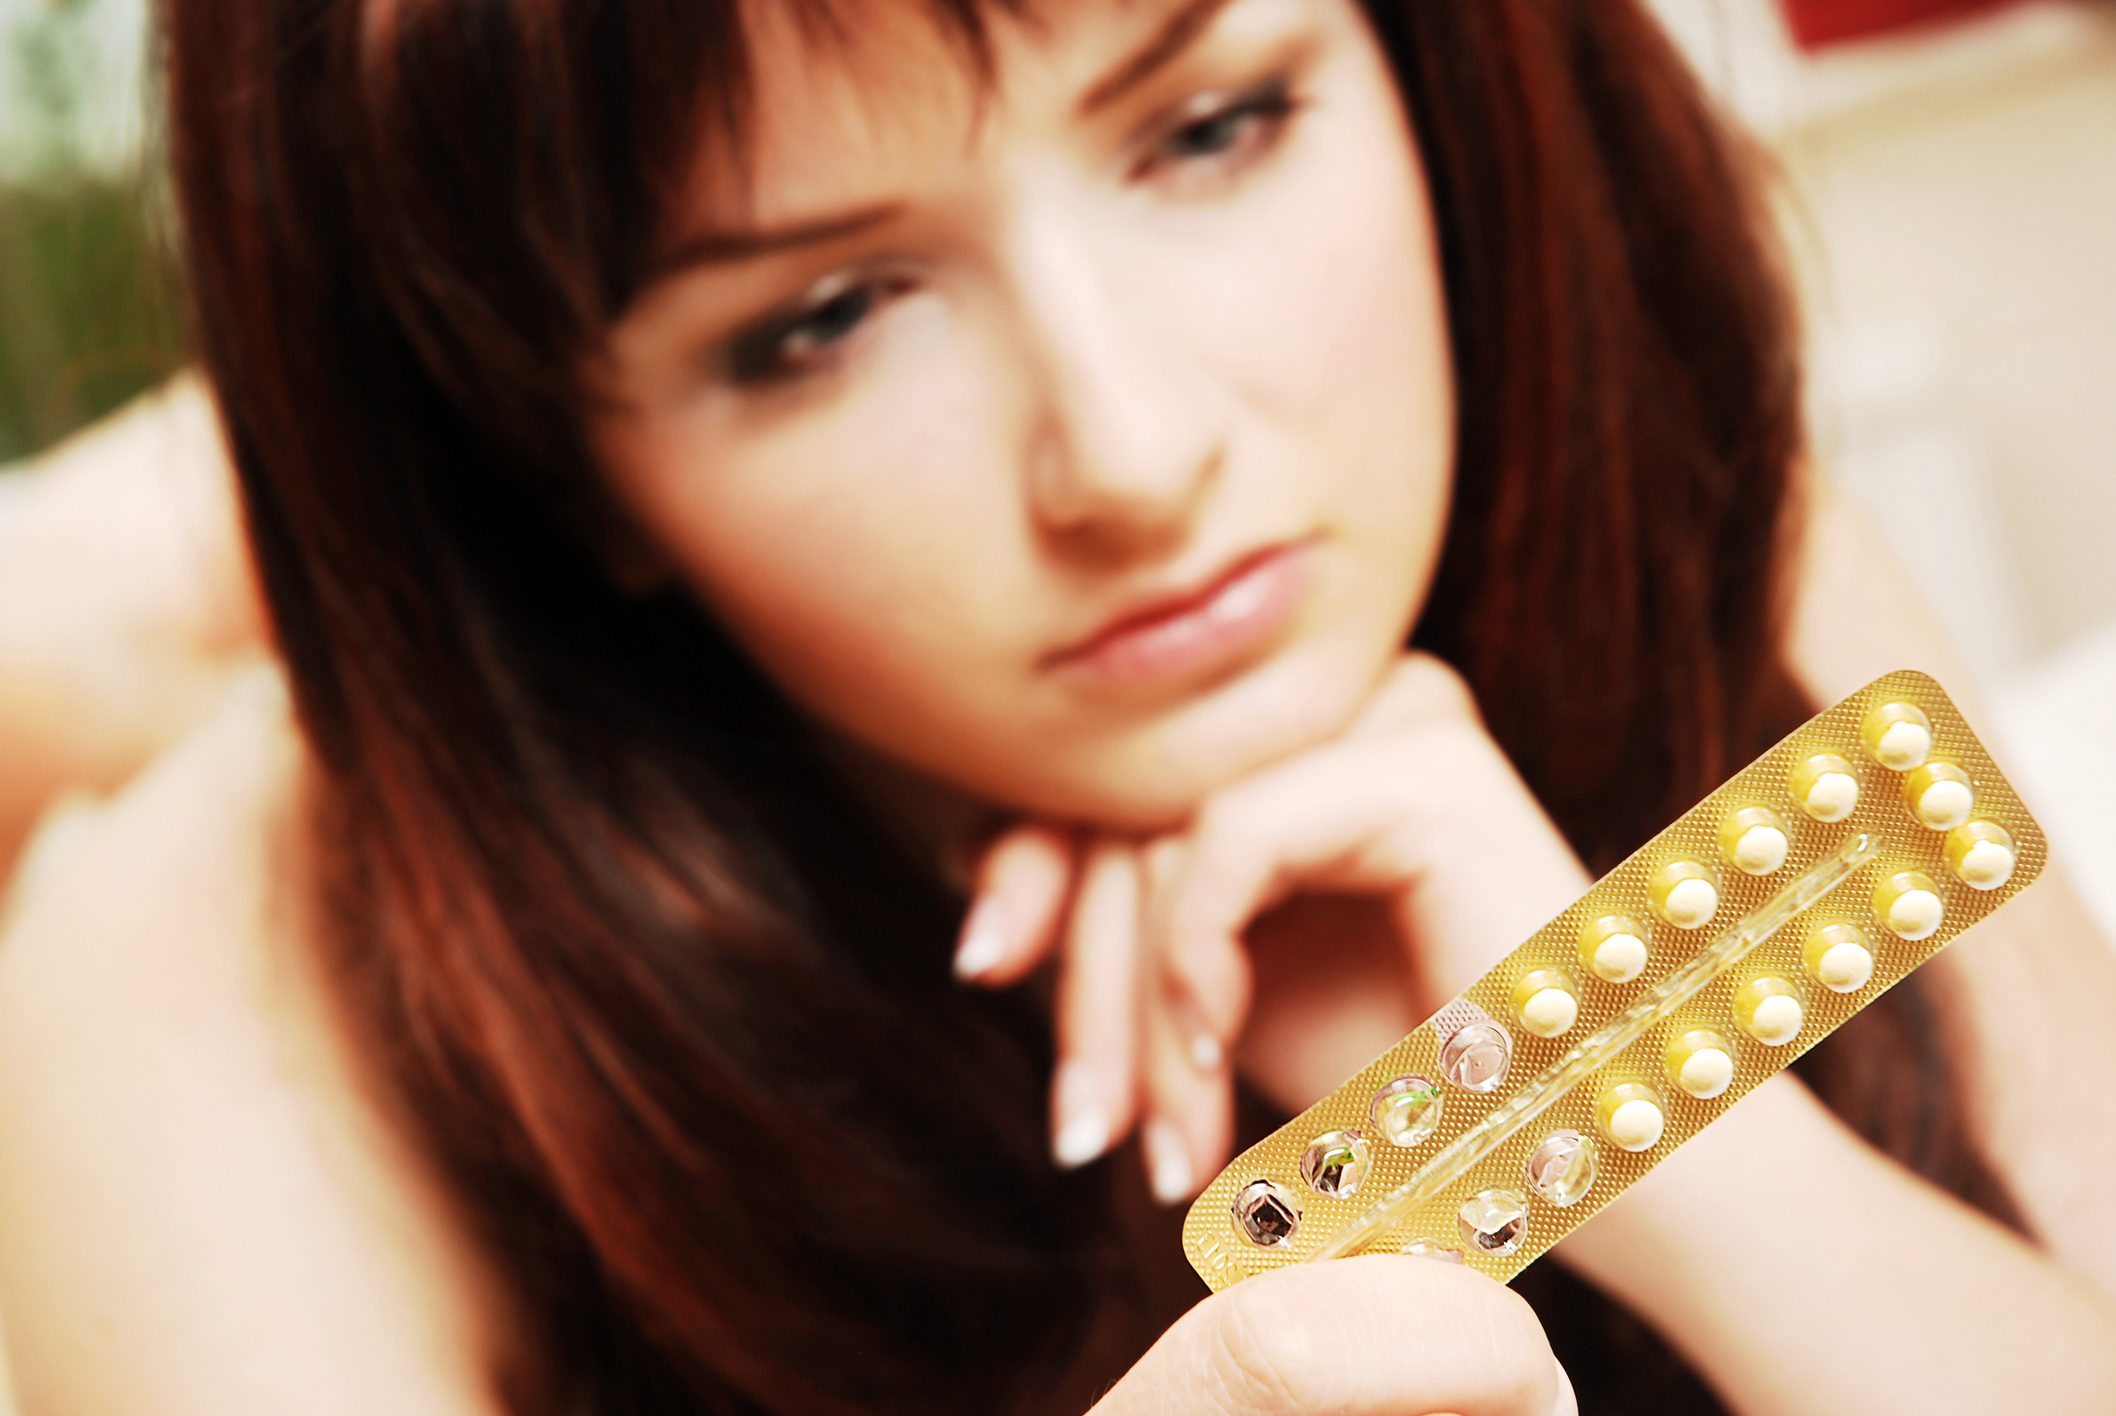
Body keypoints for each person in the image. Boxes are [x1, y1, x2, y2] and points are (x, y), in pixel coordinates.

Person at [1, 0, 2113, 1410]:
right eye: (824, 316)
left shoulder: (1686, 498)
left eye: (1212, 128)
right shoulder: (217, 964)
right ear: (561, 467)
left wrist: (1620, 1105)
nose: (1128, 450)